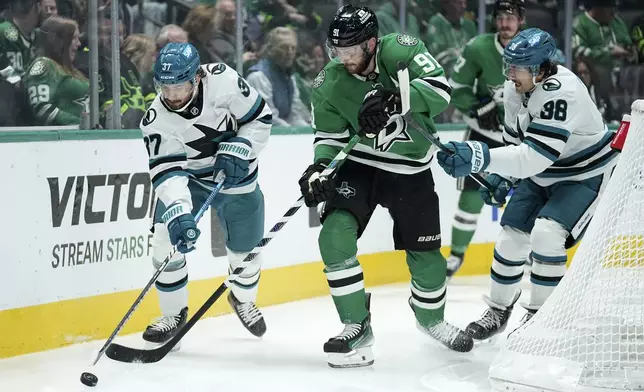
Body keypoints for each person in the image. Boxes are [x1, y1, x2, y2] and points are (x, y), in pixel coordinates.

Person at [298, 5, 474, 369]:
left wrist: (396, 98)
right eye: (337, 51)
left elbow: (441, 92)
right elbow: (329, 137)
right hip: (359, 165)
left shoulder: (402, 51)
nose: (344, 59)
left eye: (351, 51)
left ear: (373, 43)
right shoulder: (329, 82)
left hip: (410, 167)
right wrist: (320, 168)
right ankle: (356, 326)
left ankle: (431, 320)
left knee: (426, 257)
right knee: (333, 236)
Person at [436, 28, 618, 340]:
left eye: (516, 67)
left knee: (547, 235)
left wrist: (480, 157)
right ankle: (498, 309)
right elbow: (514, 142)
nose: (509, 74)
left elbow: (535, 157)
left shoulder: (563, 92)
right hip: (544, 172)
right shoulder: (514, 88)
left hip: (584, 174)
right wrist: (501, 177)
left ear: (540, 69)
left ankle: (544, 319)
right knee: (510, 238)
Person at [140, 42, 272, 348]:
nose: (171, 97)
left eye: (179, 87)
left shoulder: (223, 81)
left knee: (246, 256)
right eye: (165, 88)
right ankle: (173, 314)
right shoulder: (155, 119)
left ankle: (242, 299)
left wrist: (243, 147)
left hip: (237, 177)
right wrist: (178, 212)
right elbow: (168, 171)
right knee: (164, 239)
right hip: (190, 180)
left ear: (197, 77)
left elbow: (259, 118)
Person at [445, 0, 525, 278]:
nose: (505, 22)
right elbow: (456, 88)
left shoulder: (535, 48)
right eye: (500, 17)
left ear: (521, 20)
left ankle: (526, 254)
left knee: (529, 196)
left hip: (521, 137)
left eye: (511, 16)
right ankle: (455, 255)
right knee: (470, 197)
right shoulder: (478, 48)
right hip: (484, 134)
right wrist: (476, 106)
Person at [24, 15, 88, 125]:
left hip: (85, 136)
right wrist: (79, 124)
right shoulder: (44, 65)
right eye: (73, 38)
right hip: (59, 138)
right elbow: (42, 109)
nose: (79, 44)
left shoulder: (72, 70)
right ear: (58, 41)